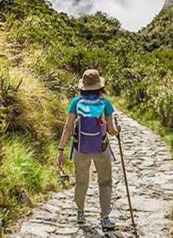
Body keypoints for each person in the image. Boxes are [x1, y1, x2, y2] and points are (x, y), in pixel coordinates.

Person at [56, 69, 121, 231]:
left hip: (81, 149)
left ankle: (80, 213)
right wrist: (118, 130)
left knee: (81, 181)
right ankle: (105, 218)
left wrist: (60, 150)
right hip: (101, 149)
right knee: (105, 183)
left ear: (83, 86)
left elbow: (68, 127)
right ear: (100, 86)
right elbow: (112, 131)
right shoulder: (105, 103)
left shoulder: (76, 102)